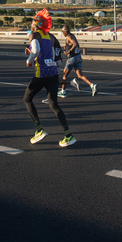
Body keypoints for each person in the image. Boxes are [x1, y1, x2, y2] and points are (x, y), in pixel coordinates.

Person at [22, 9, 76, 147]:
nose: (31, 25)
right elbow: (49, 54)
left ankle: (39, 129)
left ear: (36, 24)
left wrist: (29, 60)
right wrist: (34, 55)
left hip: (42, 73)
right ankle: (68, 135)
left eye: (32, 23)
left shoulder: (34, 35)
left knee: (27, 99)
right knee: (53, 104)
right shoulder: (48, 36)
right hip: (52, 72)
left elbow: (35, 50)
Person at [59, 25, 97, 97]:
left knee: (65, 74)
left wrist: (68, 51)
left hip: (72, 58)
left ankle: (63, 91)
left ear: (65, 32)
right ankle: (92, 85)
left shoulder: (68, 37)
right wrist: (67, 47)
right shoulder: (72, 35)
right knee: (80, 75)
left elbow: (75, 44)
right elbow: (76, 45)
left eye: (63, 32)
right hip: (78, 57)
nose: (62, 33)